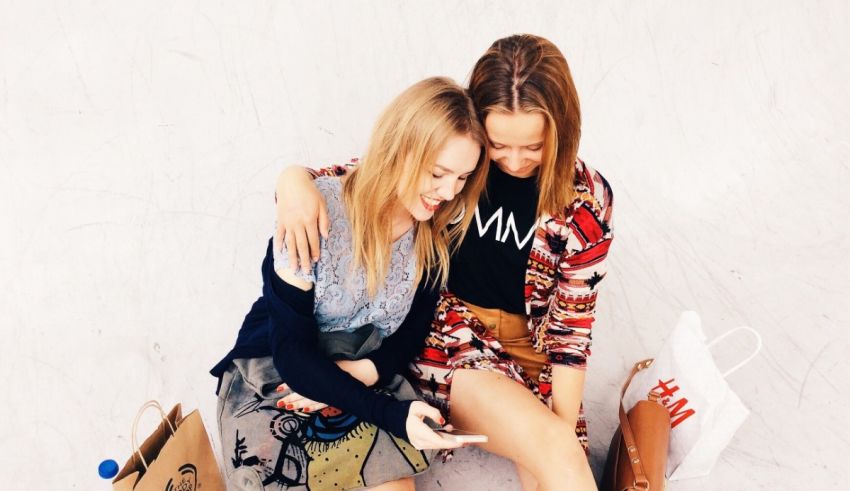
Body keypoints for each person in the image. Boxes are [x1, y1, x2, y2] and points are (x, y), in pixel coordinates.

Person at [275, 35, 613, 491]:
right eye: (498, 144)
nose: (514, 161)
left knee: (558, 458)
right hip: (453, 337)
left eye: (533, 146)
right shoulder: (457, 163)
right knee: (553, 450)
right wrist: (293, 179)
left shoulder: (587, 200)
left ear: (562, 131)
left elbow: (572, 330)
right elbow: (366, 179)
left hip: (536, 349)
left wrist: (562, 430)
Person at [211, 76, 490, 491]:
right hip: (276, 376)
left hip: (361, 378)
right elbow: (290, 352)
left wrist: (365, 372)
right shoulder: (315, 212)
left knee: (396, 486)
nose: (448, 192)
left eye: (463, 178)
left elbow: (412, 331)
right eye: (437, 173)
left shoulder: (435, 236)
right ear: (400, 150)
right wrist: (391, 414)